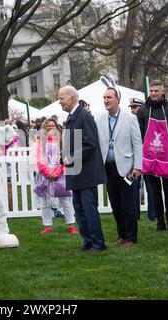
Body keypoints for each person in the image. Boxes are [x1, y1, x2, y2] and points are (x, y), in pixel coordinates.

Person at [59, 85, 107, 252]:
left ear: (73, 98)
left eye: (62, 98)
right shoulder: (72, 117)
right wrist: (63, 155)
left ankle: (98, 243)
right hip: (76, 171)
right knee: (79, 209)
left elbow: (91, 144)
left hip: (85, 172)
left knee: (88, 208)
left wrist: (70, 157)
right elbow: (74, 143)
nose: (60, 102)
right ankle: (87, 240)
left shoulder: (84, 116)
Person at [96, 87, 142, 248]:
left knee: (128, 205)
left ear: (118, 99)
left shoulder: (130, 118)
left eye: (109, 97)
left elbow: (137, 143)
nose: (106, 100)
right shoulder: (100, 119)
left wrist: (138, 166)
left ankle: (131, 238)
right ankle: (122, 234)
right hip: (108, 168)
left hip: (127, 167)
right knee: (115, 204)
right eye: (104, 98)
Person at [137, 80, 168, 231]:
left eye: (156, 91)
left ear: (163, 92)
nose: (153, 93)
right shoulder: (142, 111)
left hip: (167, 158)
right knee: (154, 192)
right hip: (149, 158)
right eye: (152, 91)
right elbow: (139, 136)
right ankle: (160, 223)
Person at [34, 118, 78, 234]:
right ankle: (47, 226)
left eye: (52, 125)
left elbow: (65, 158)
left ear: (56, 127)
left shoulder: (61, 141)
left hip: (60, 175)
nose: (50, 127)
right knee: (45, 202)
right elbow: (39, 158)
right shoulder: (40, 141)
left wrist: (57, 172)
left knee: (65, 201)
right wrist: (47, 172)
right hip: (45, 175)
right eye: (48, 126)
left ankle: (71, 224)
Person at [128, 98, 155, 221]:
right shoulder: (129, 122)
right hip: (134, 159)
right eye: (131, 108)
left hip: (148, 158)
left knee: (151, 187)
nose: (133, 110)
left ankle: (153, 215)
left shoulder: (149, 121)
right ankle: (135, 215)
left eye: (135, 107)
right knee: (134, 188)